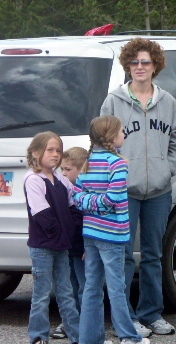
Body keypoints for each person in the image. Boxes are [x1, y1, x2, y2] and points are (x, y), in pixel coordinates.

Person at [100, 38, 176, 337]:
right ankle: (126, 318)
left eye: (145, 62)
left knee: (153, 254)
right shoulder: (113, 101)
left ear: (155, 66)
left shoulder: (168, 102)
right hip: (123, 191)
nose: (139, 67)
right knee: (122, 255)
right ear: (127, 65)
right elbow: (102, 142)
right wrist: (116, 175)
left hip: (159, 190)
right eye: (134, 62)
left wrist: (167, 170)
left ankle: (152, 313)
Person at [74, 116, 150, 344]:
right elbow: (113, 199)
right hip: (112, 234)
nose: (124, 135)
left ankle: (89, 339)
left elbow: (77, 196)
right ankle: (128, 336)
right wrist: (100, 203)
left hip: (91, 232)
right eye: (122, 131)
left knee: (92, 287)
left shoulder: (87, 162)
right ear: (111, 136)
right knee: (117, 286)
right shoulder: (117, 163)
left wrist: (90, 203)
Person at [24, 131, 81, 344]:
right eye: (50, 150)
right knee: (41, 294)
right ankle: (39, 336)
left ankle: (77, 336)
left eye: (58, 150)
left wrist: (71, 231)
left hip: (61, 246)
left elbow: (74, 204)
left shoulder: (61, 179)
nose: (55, 154)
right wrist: (60, 234)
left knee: (66, 293)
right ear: (35, 152)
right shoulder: (33, 179)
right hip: (43, 247)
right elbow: (42, 215)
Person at [51, 147, 89, 340]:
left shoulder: (85, 192)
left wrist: (88, 246)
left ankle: (85, 323)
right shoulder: (63, 190)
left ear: (82, 170)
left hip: (83, 248)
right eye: (62, 169)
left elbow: (89, 221)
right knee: (69, 287)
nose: (64, 173)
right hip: (68, 247)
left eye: (68, 169)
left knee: (84, 287)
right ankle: (70, 322)